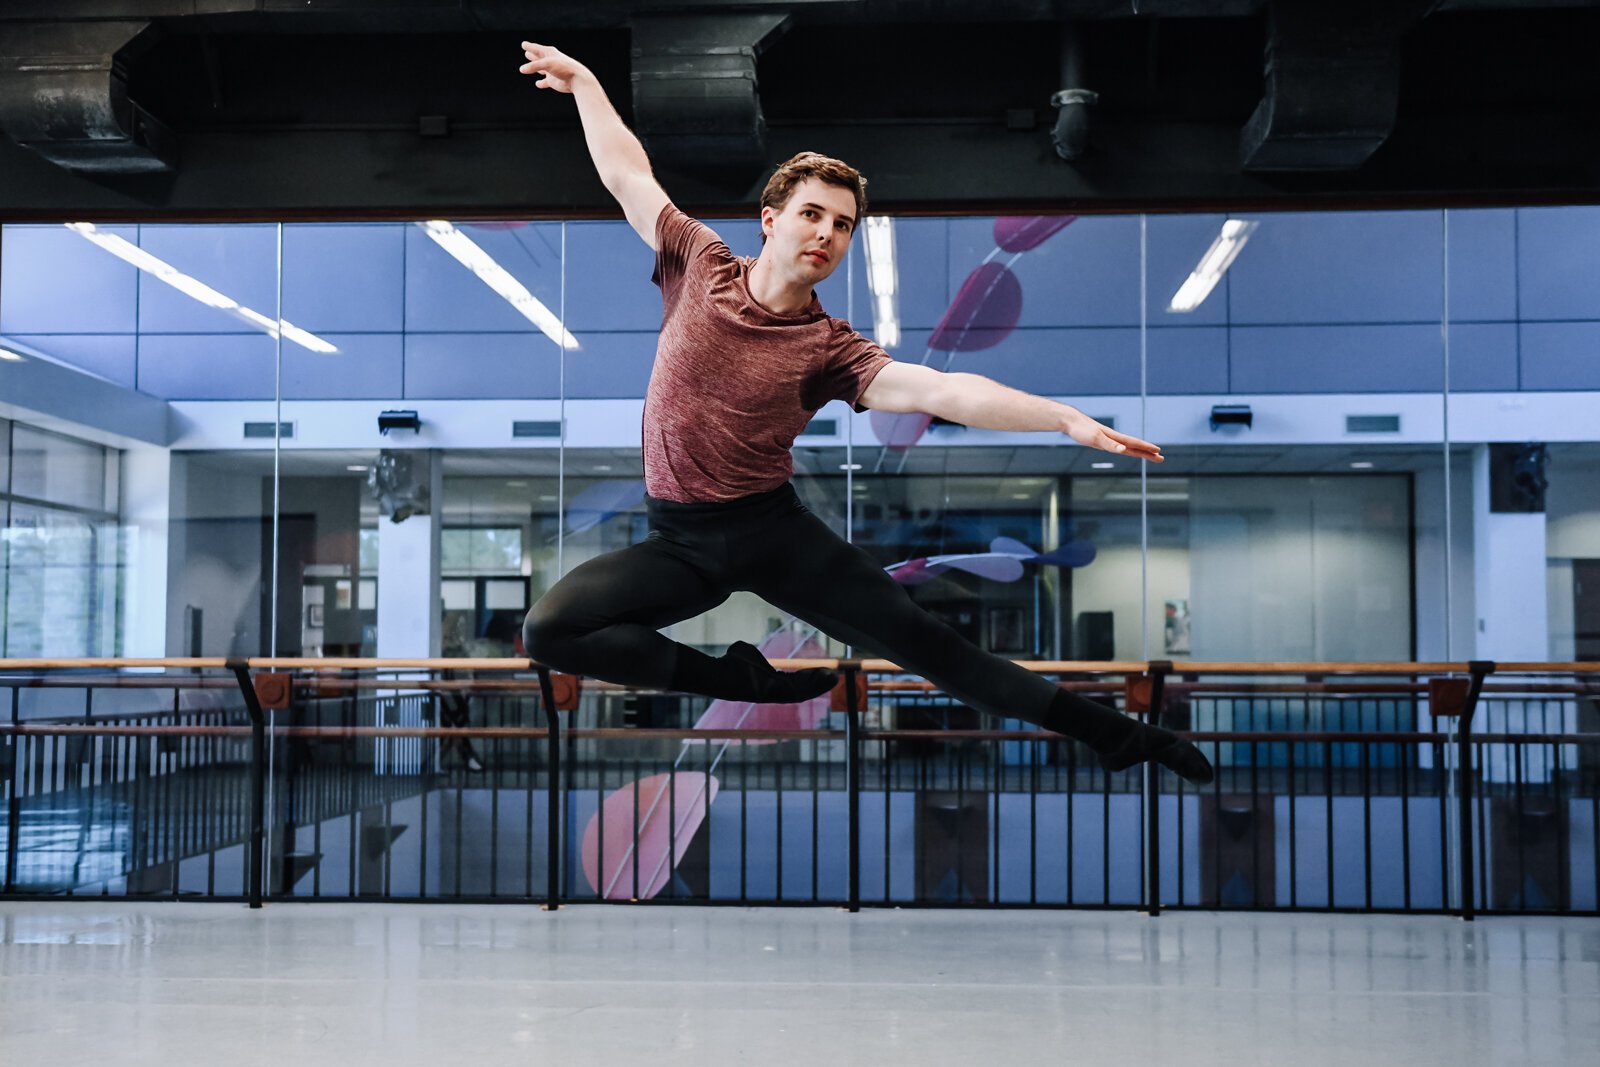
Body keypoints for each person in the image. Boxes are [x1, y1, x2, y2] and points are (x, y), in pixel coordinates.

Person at [516, 42, 1212, 784]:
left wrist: (1062, 416)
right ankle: (741, 681)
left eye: (843, 225)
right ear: (771, 220)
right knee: (551, 628)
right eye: (812, 214)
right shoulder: (700, 263)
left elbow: (940, 392)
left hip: (771, 532)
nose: (825, 233)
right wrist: (587, 83)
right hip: (678, 539)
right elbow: (629, 174)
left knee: (928, 642)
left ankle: (1118, 737)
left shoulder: (827, 347)